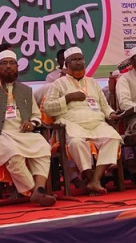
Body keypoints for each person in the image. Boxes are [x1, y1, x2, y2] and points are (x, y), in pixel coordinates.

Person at [0, 50, 56, 206]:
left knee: (44, 147)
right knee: (13, 154)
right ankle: (34, 191)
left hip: (23, 133)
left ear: (18, 68)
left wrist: (32, 123)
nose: (9, 67)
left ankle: (39, 190)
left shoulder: (26, 90)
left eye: (12, 63)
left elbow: (36, 115)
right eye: (4, 63)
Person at [43, 47, 122, 194]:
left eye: (81, 59)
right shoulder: (58, 84)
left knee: (113, 138)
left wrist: (111, 115)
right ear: (66, 65)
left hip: (97, 122)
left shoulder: (92, 82)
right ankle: (91, 178)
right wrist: (67, 98)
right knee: (76, 143)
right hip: (73, 124)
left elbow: (104, 106)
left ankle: (95, 179)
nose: (79, 63)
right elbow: (48, 108)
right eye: (75, 60)